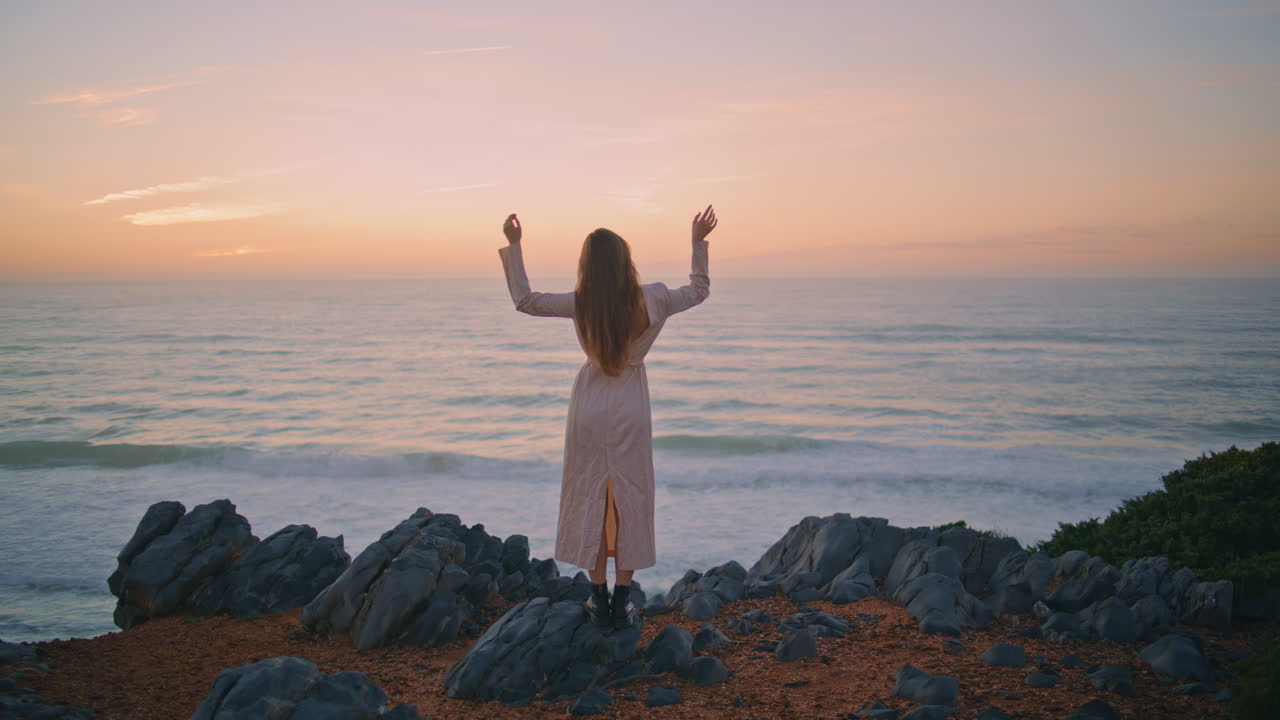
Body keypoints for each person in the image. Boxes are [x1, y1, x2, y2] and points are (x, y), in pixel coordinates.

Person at [498, 205, 717, 628]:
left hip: (590, 403)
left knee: (591, 495)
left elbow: (525, 300)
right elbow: (699, 289)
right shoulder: (654, 297)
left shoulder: (583, 303)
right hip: (631, 403)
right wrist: (697, 241)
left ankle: (595, 597)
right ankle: (622, 597)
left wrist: (515, 246)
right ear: (625, 261)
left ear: (587, 266)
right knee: (629, 496)